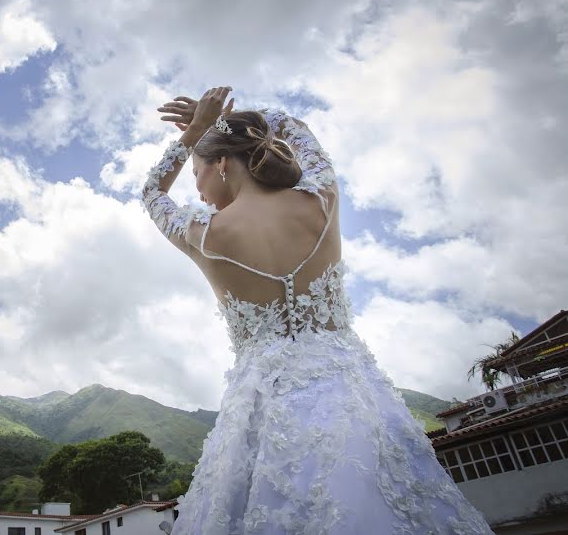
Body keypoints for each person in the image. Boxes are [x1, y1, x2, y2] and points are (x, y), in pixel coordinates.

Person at [142, 86, 493, 534]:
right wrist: (223, 124)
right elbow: (296, 127)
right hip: (351, 391)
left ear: (223, 164)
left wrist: (192, 133)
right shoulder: (321, 199)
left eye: (197, 171)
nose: (198, 189)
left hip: (262, 407)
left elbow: (152, 190)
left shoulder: (201, 233)